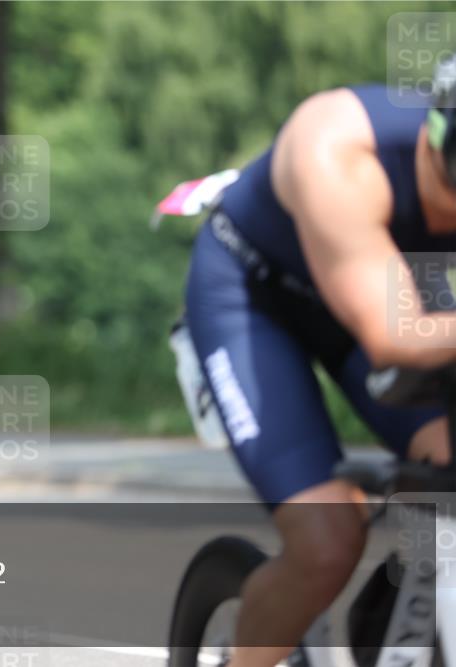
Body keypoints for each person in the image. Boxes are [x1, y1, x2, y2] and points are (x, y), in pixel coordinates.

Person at [184, 57, 456, 667]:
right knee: (327, 539)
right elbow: (398, 337)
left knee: (446, 462)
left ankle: (408, 621)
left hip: (393, 289)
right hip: (255, 298)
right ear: (440, 134)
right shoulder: (340, 147)